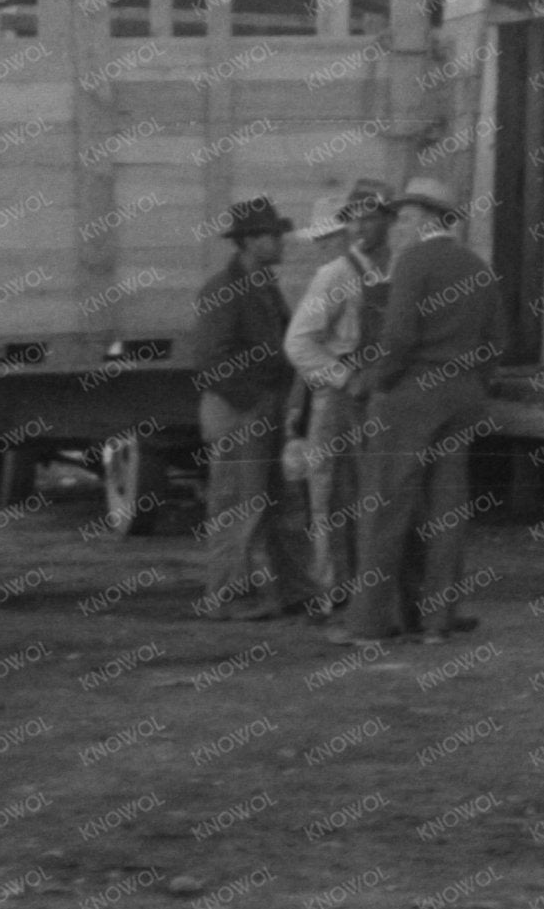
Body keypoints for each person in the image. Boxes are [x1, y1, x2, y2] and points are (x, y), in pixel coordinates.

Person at [338, 180, 503, 647]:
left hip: (411, 396)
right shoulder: (478, 266)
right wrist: (472, 380)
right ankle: (437, 623)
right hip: (463, 396)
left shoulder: (412, 263)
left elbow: (398, 340)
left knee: (385, 507)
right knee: (447, 513)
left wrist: (374, 382)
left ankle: (368, 624)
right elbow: (496, 341)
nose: (397, 227)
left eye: (405, 218)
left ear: (430, 221)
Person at [280, 180, 396, 621]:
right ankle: (333, 592)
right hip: (338, 402)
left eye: (370, 217)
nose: (360, 227)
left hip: (383, 399)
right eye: (353, 219)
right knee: (330, 496)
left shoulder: (398, 269)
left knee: (380, 494)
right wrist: (345, 378)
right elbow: (299, 344)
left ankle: (376, 589)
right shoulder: (335, 275)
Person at [192, 196, 312, 621]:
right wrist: (254, 403)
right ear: (247, 242)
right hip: (239, 411)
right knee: (237, 506)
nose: (280, 241)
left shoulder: (260, 285)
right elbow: (210, 360)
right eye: (270, 235)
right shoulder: (224, 290)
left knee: (280, 504)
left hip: (262, 409)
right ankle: (227, 597)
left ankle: (294, 591)